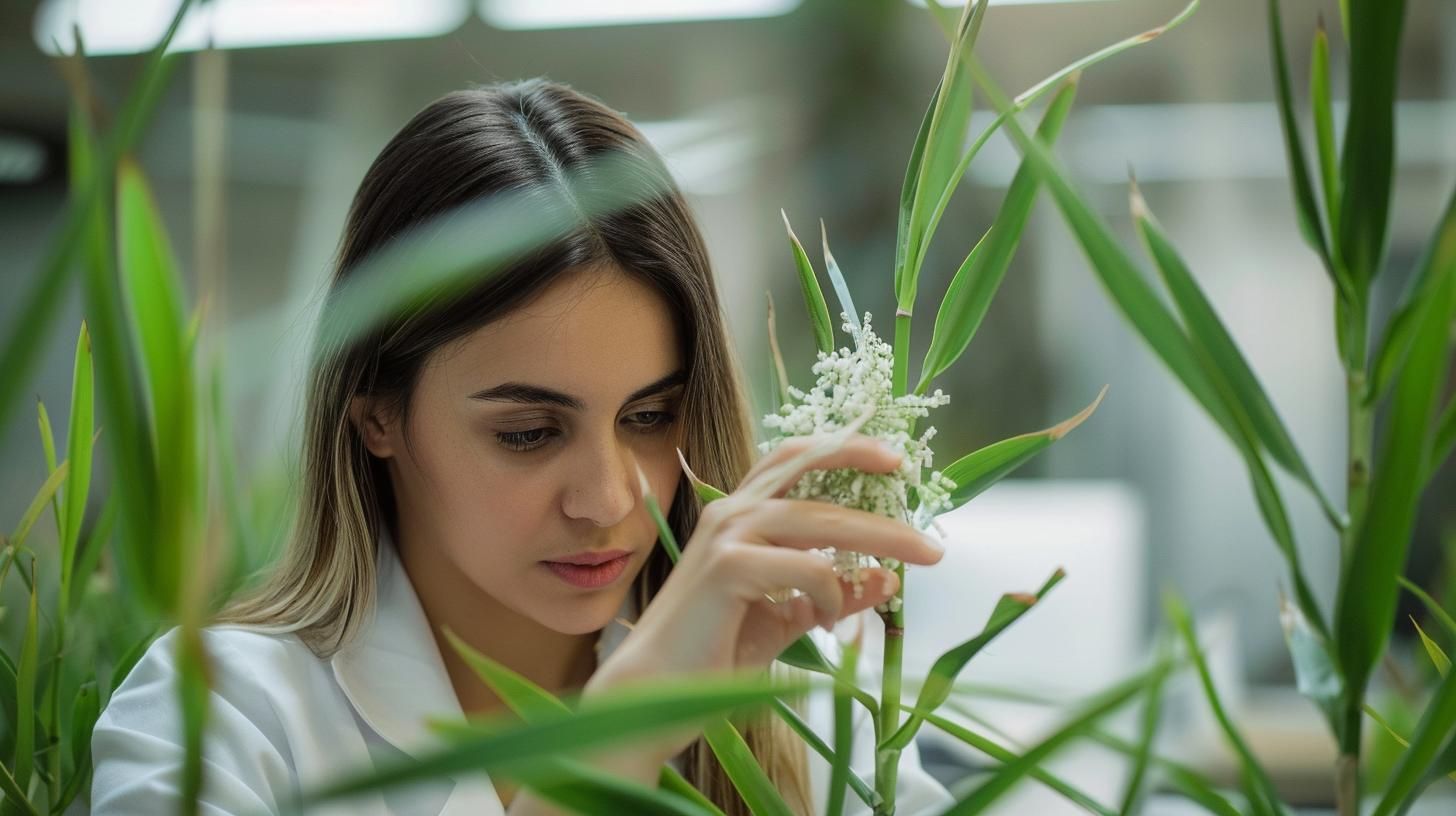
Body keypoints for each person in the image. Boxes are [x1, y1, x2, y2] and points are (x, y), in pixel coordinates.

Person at [86, 78, 953, 816]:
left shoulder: (791, 689)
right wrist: (627, 726)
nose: (609, 501)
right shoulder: (221, 714)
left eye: (649, 417)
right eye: (529, 433)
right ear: (377, 416)